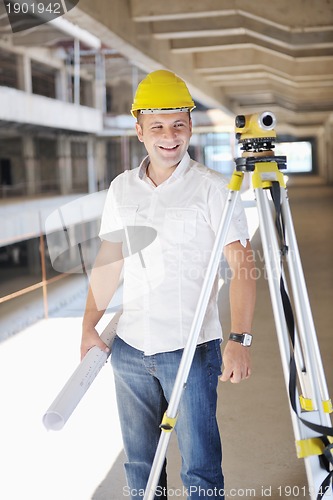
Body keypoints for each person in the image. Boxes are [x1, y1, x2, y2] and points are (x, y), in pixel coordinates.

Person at [81, 70, 256, 500]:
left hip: (192, 350)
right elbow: (110, 259)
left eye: (178, 124)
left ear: (191, 127)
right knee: (141, 467)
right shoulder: (123, 188)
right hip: (129, 350)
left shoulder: (214, 189)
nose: (169, 136)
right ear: (139, 130)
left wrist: (239, 338)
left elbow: (243, 263)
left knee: (200, 469)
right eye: (157, 126)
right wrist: (88, 325)